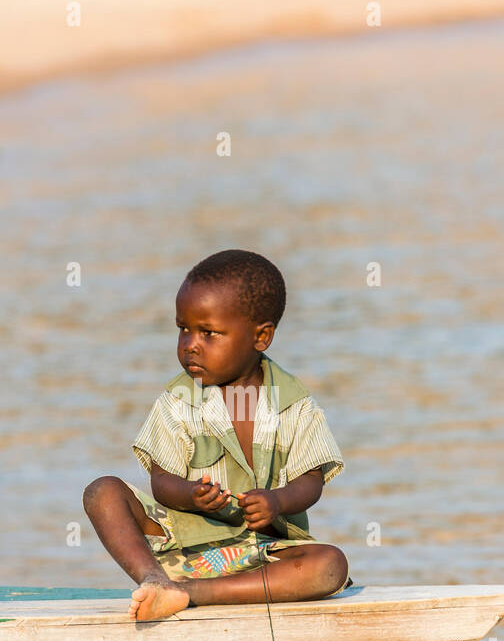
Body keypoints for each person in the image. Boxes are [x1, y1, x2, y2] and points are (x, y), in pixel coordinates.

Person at [83, 249, 350, 620]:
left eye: (209, 333)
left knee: (330, 565)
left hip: (261, 554)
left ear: (261, 337)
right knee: (103, 491)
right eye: (184, 329)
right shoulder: (178, 400)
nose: (191, 343)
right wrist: (191, 495)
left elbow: (311, 480)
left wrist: (276, 501)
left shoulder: (294, 402)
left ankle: (186, 593)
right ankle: (153, 578)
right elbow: (160, 482)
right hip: (183, 546)